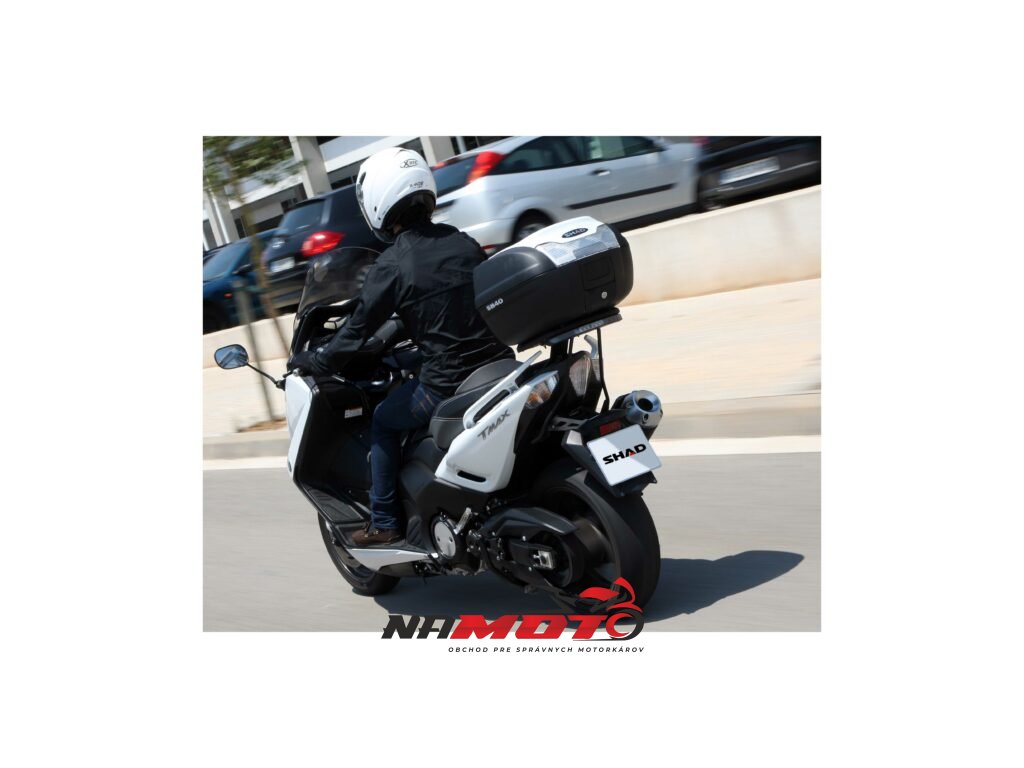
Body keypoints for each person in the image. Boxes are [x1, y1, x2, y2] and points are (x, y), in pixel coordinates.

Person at [289, 148, 514, 546]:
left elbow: (357, 329)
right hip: (498, 365)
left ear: (377, 202)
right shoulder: (461, 241)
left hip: (445, 383)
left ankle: (384, 521)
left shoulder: (394, 264)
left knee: (384, 420)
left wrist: (318, 359)